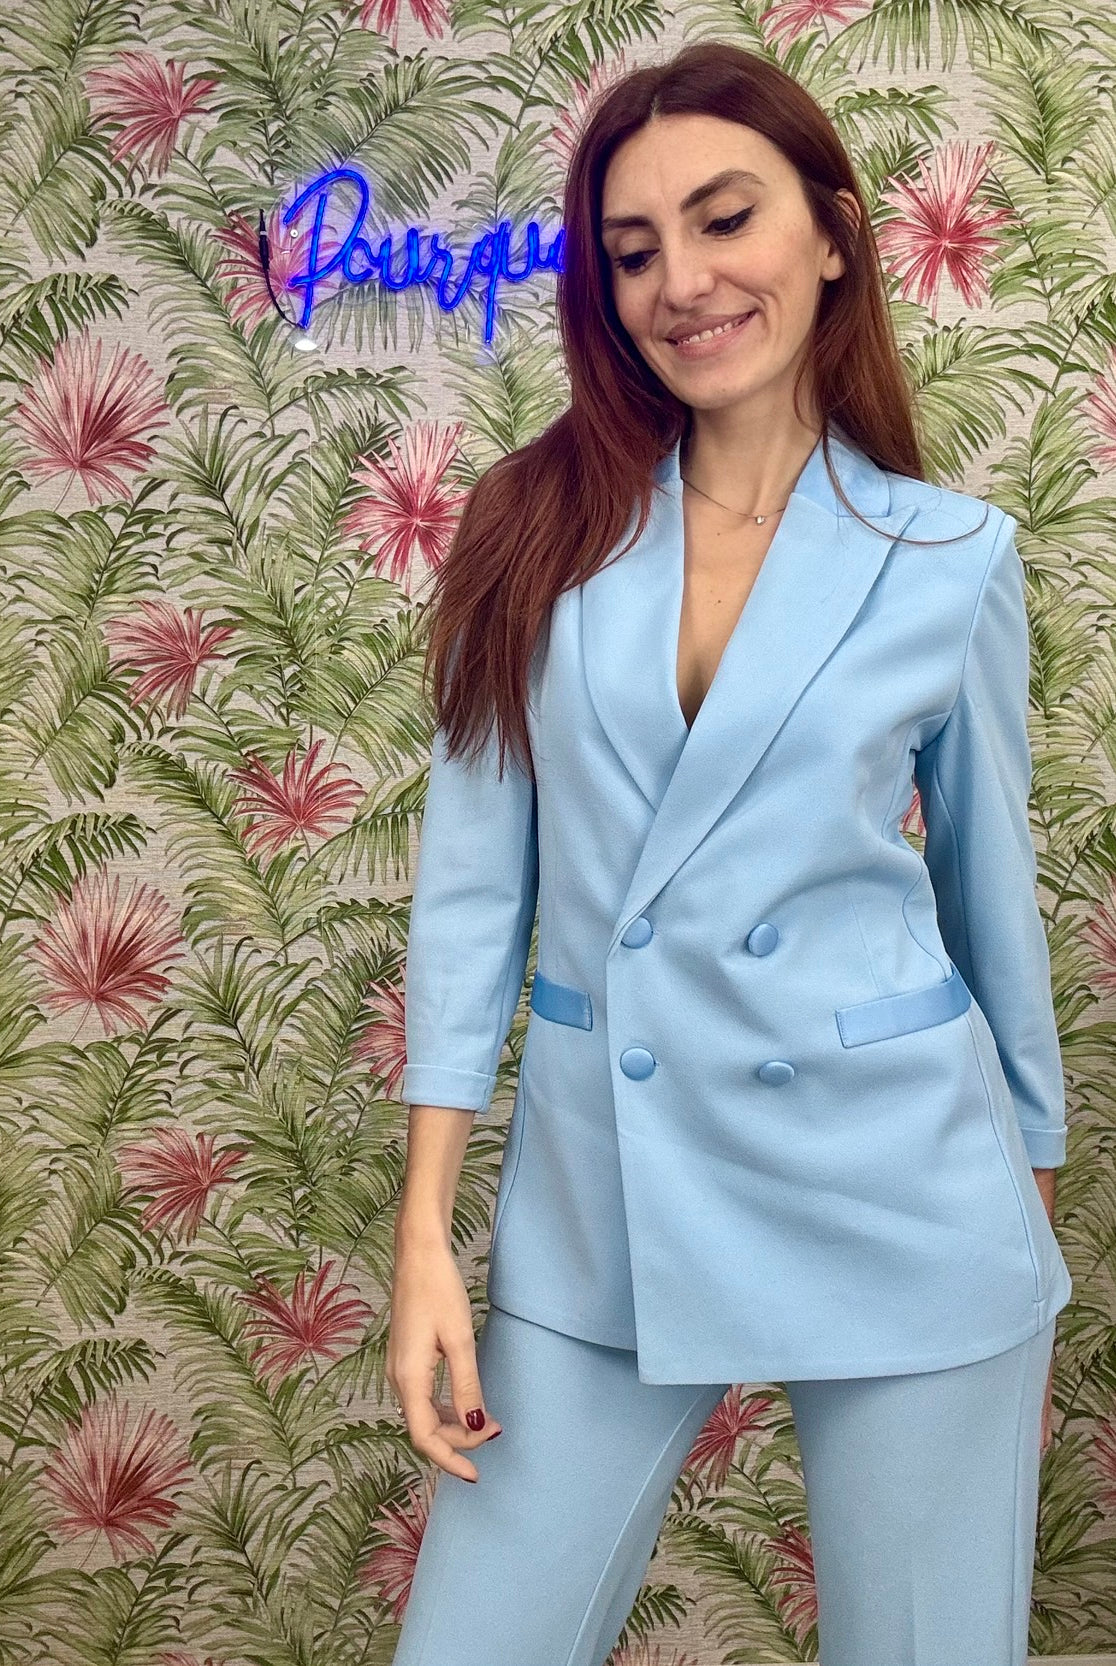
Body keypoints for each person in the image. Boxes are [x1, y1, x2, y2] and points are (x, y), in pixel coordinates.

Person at [387, 38, 1073, 1666]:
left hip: (907, 1191)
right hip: (603, 1190)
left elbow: (992, 905)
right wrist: (425, 1233)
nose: (682, 283)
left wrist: (1025, 1217)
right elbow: (473, 896)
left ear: (830, 232)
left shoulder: (949, 557)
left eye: (723, 218)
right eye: (634, 251)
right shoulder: (533, 527)